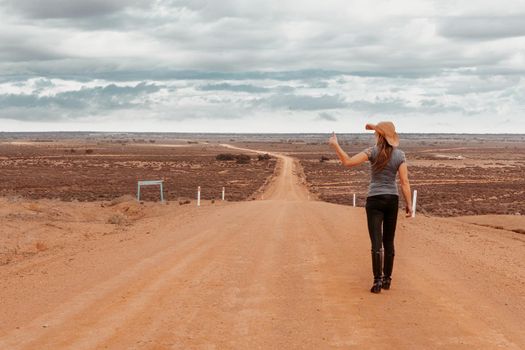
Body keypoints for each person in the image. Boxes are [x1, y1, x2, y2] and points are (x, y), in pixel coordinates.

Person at [328, 121, 412, 294]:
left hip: (374, 200)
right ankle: (388, 280)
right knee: (389, 241)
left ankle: (377, 282)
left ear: (379, 135)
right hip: (392, 199)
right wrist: (409, 204)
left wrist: (336, 145)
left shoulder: (372, 152)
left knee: (376, 242)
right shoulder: (400, 155)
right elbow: (404, 182)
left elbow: (348, 162)